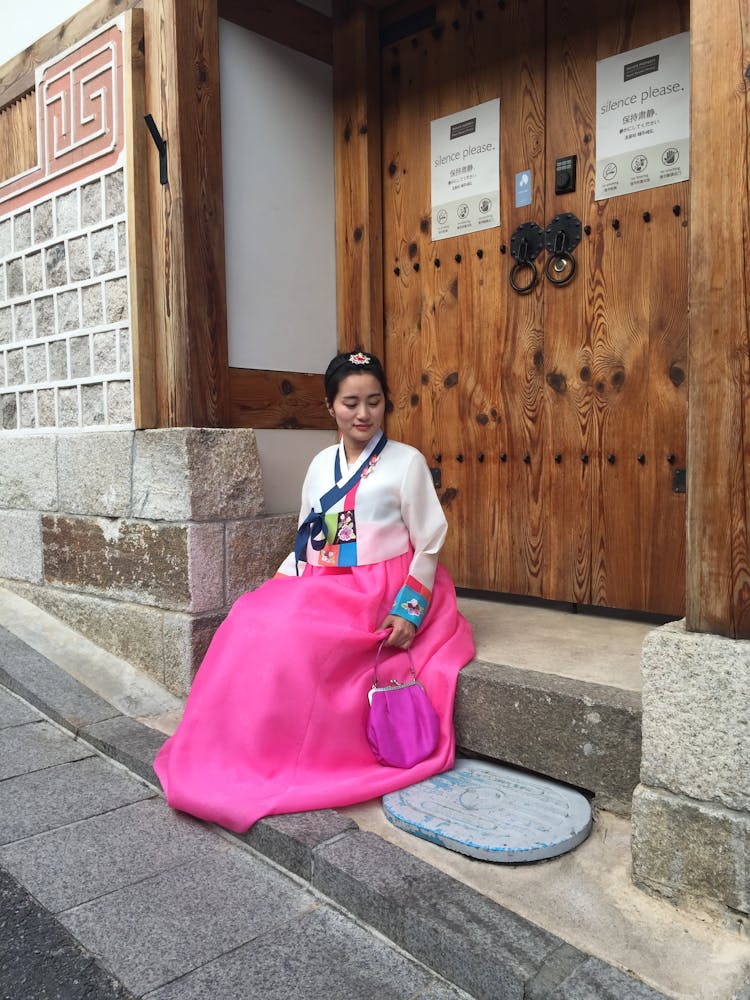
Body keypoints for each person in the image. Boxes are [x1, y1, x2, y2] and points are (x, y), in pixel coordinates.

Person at [154, 350, 475, 833]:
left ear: (386, 403)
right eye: (350, 403)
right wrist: (279, 586)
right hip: (327, 579)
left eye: (373, 401)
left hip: (385, 584)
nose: (363, 414)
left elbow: (428, 543)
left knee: (298, 637)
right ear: (330, 408)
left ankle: (296, 756)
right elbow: (309, 539)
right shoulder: (321, 464)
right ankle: (240, 751)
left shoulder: (406, 463)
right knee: (249, 617)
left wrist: (409, 611)